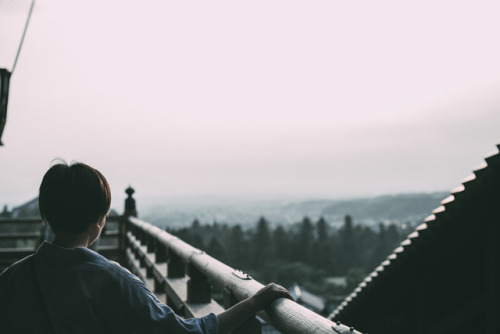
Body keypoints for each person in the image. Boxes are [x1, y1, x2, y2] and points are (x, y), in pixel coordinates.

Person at [0, 160, 292, 333]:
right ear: (100, 220)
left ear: (46, 215)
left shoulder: (11, 278)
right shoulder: (113, 280)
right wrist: (252, 303)